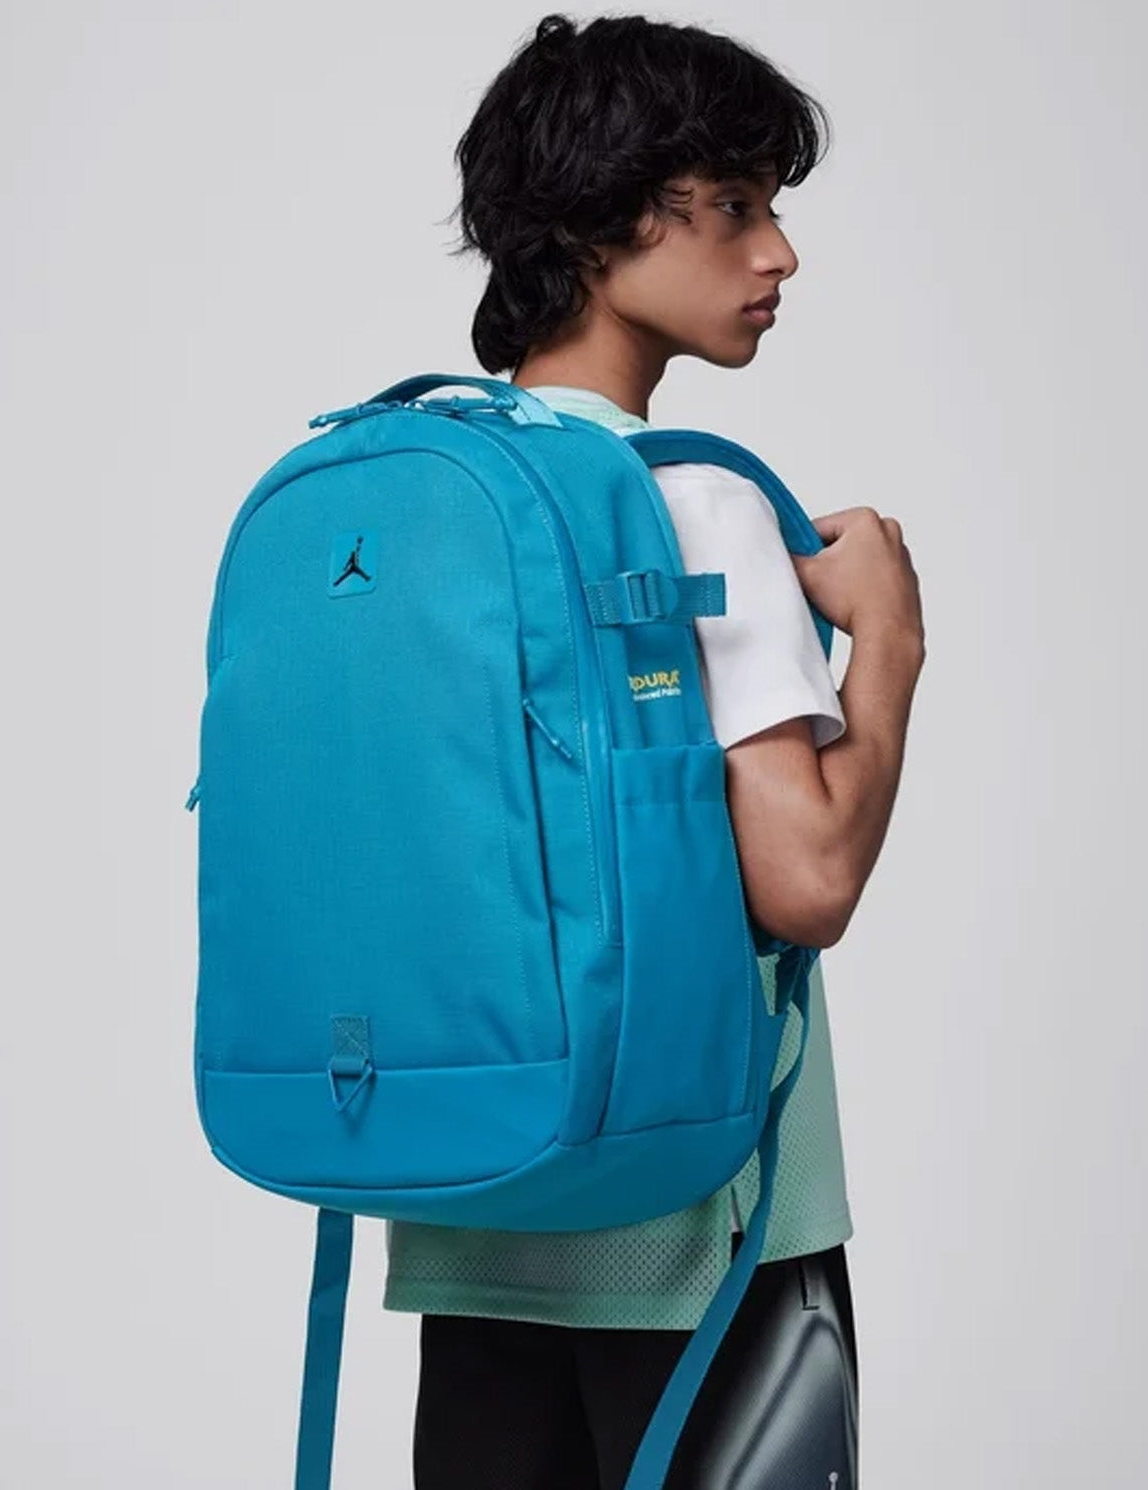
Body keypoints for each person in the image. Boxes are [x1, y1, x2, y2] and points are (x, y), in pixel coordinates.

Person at [383, 14, 926, 1489]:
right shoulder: (692, 502)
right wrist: (890, 641)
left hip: (477, 1197)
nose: (779, 254)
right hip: (705, 1221)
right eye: (735, 208)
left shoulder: (429, 493)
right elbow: (807, 878)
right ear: (603, 221)